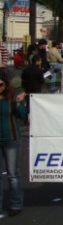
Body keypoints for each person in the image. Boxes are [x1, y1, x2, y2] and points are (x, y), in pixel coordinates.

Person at [0, 70, 28, 216]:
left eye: (1, 84)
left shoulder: (11, 98)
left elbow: (23, 117)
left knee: (12, 174)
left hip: (11, 138)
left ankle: (16, 204)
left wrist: (19, 104)